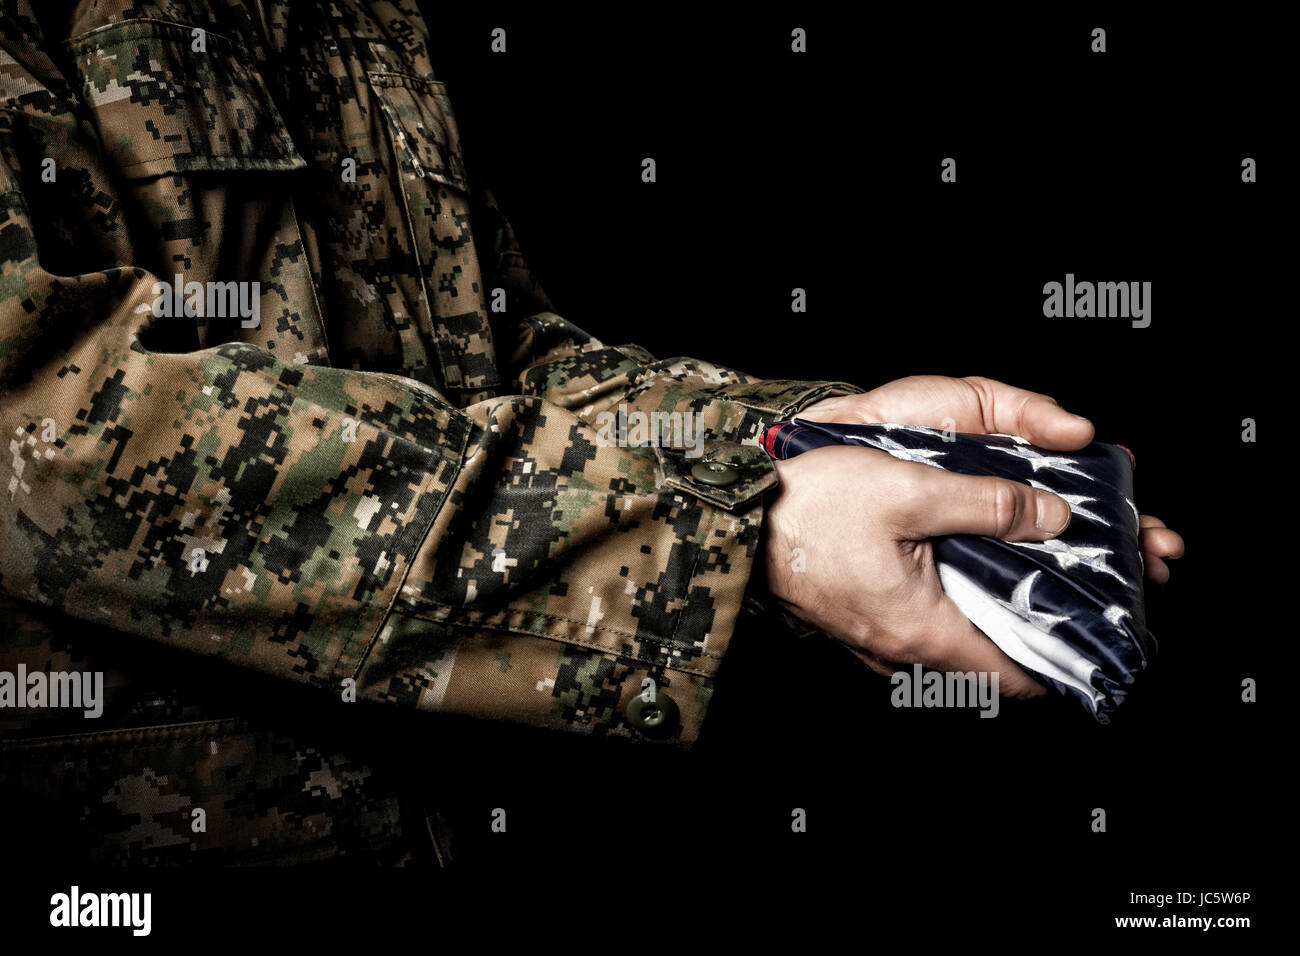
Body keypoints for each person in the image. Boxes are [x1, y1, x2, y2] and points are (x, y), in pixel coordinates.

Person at [0, 0, 1182, 863]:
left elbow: (498, 367)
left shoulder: (362, 16)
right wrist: (729, 543)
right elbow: (43, 418)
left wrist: (796, 439)